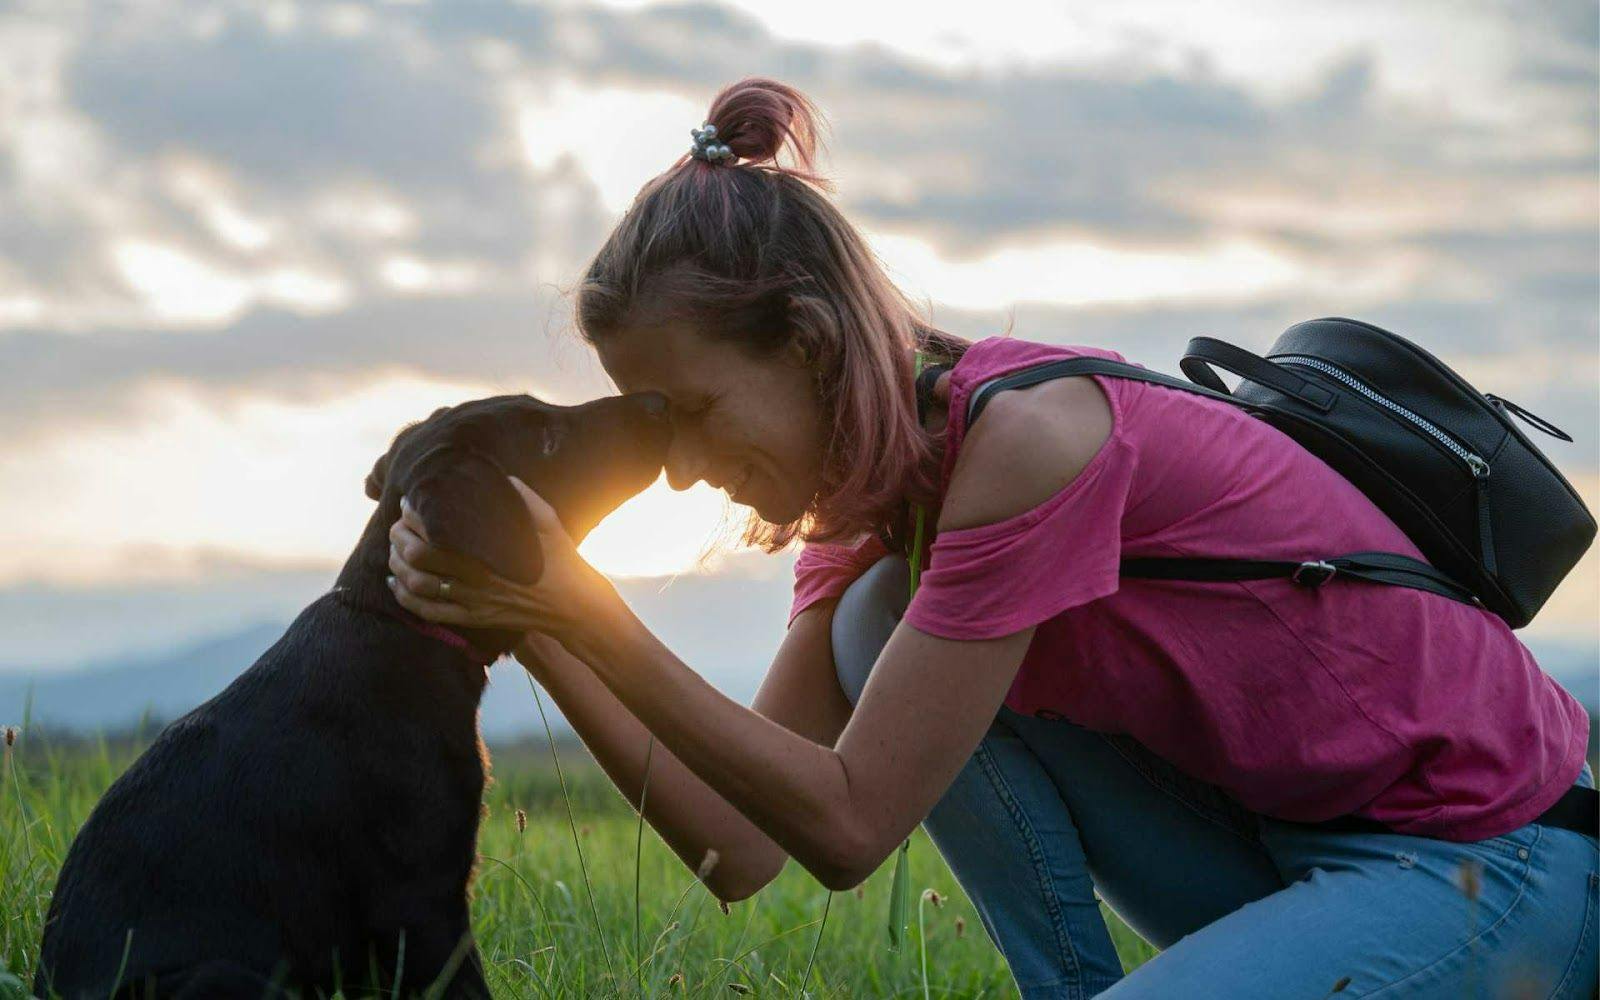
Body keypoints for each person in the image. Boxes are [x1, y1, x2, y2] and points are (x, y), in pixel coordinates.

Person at [385, 77, 1598, 998]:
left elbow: (851, 826)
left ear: (806, 343)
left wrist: (580, 610)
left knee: (882, 616)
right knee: (876, 616)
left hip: (1485, 860)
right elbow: (740, 847)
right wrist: (533, 619)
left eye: (694, 411)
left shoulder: (1033, 439)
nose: (686, 463)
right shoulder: (870, 504)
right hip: (1285, 844)